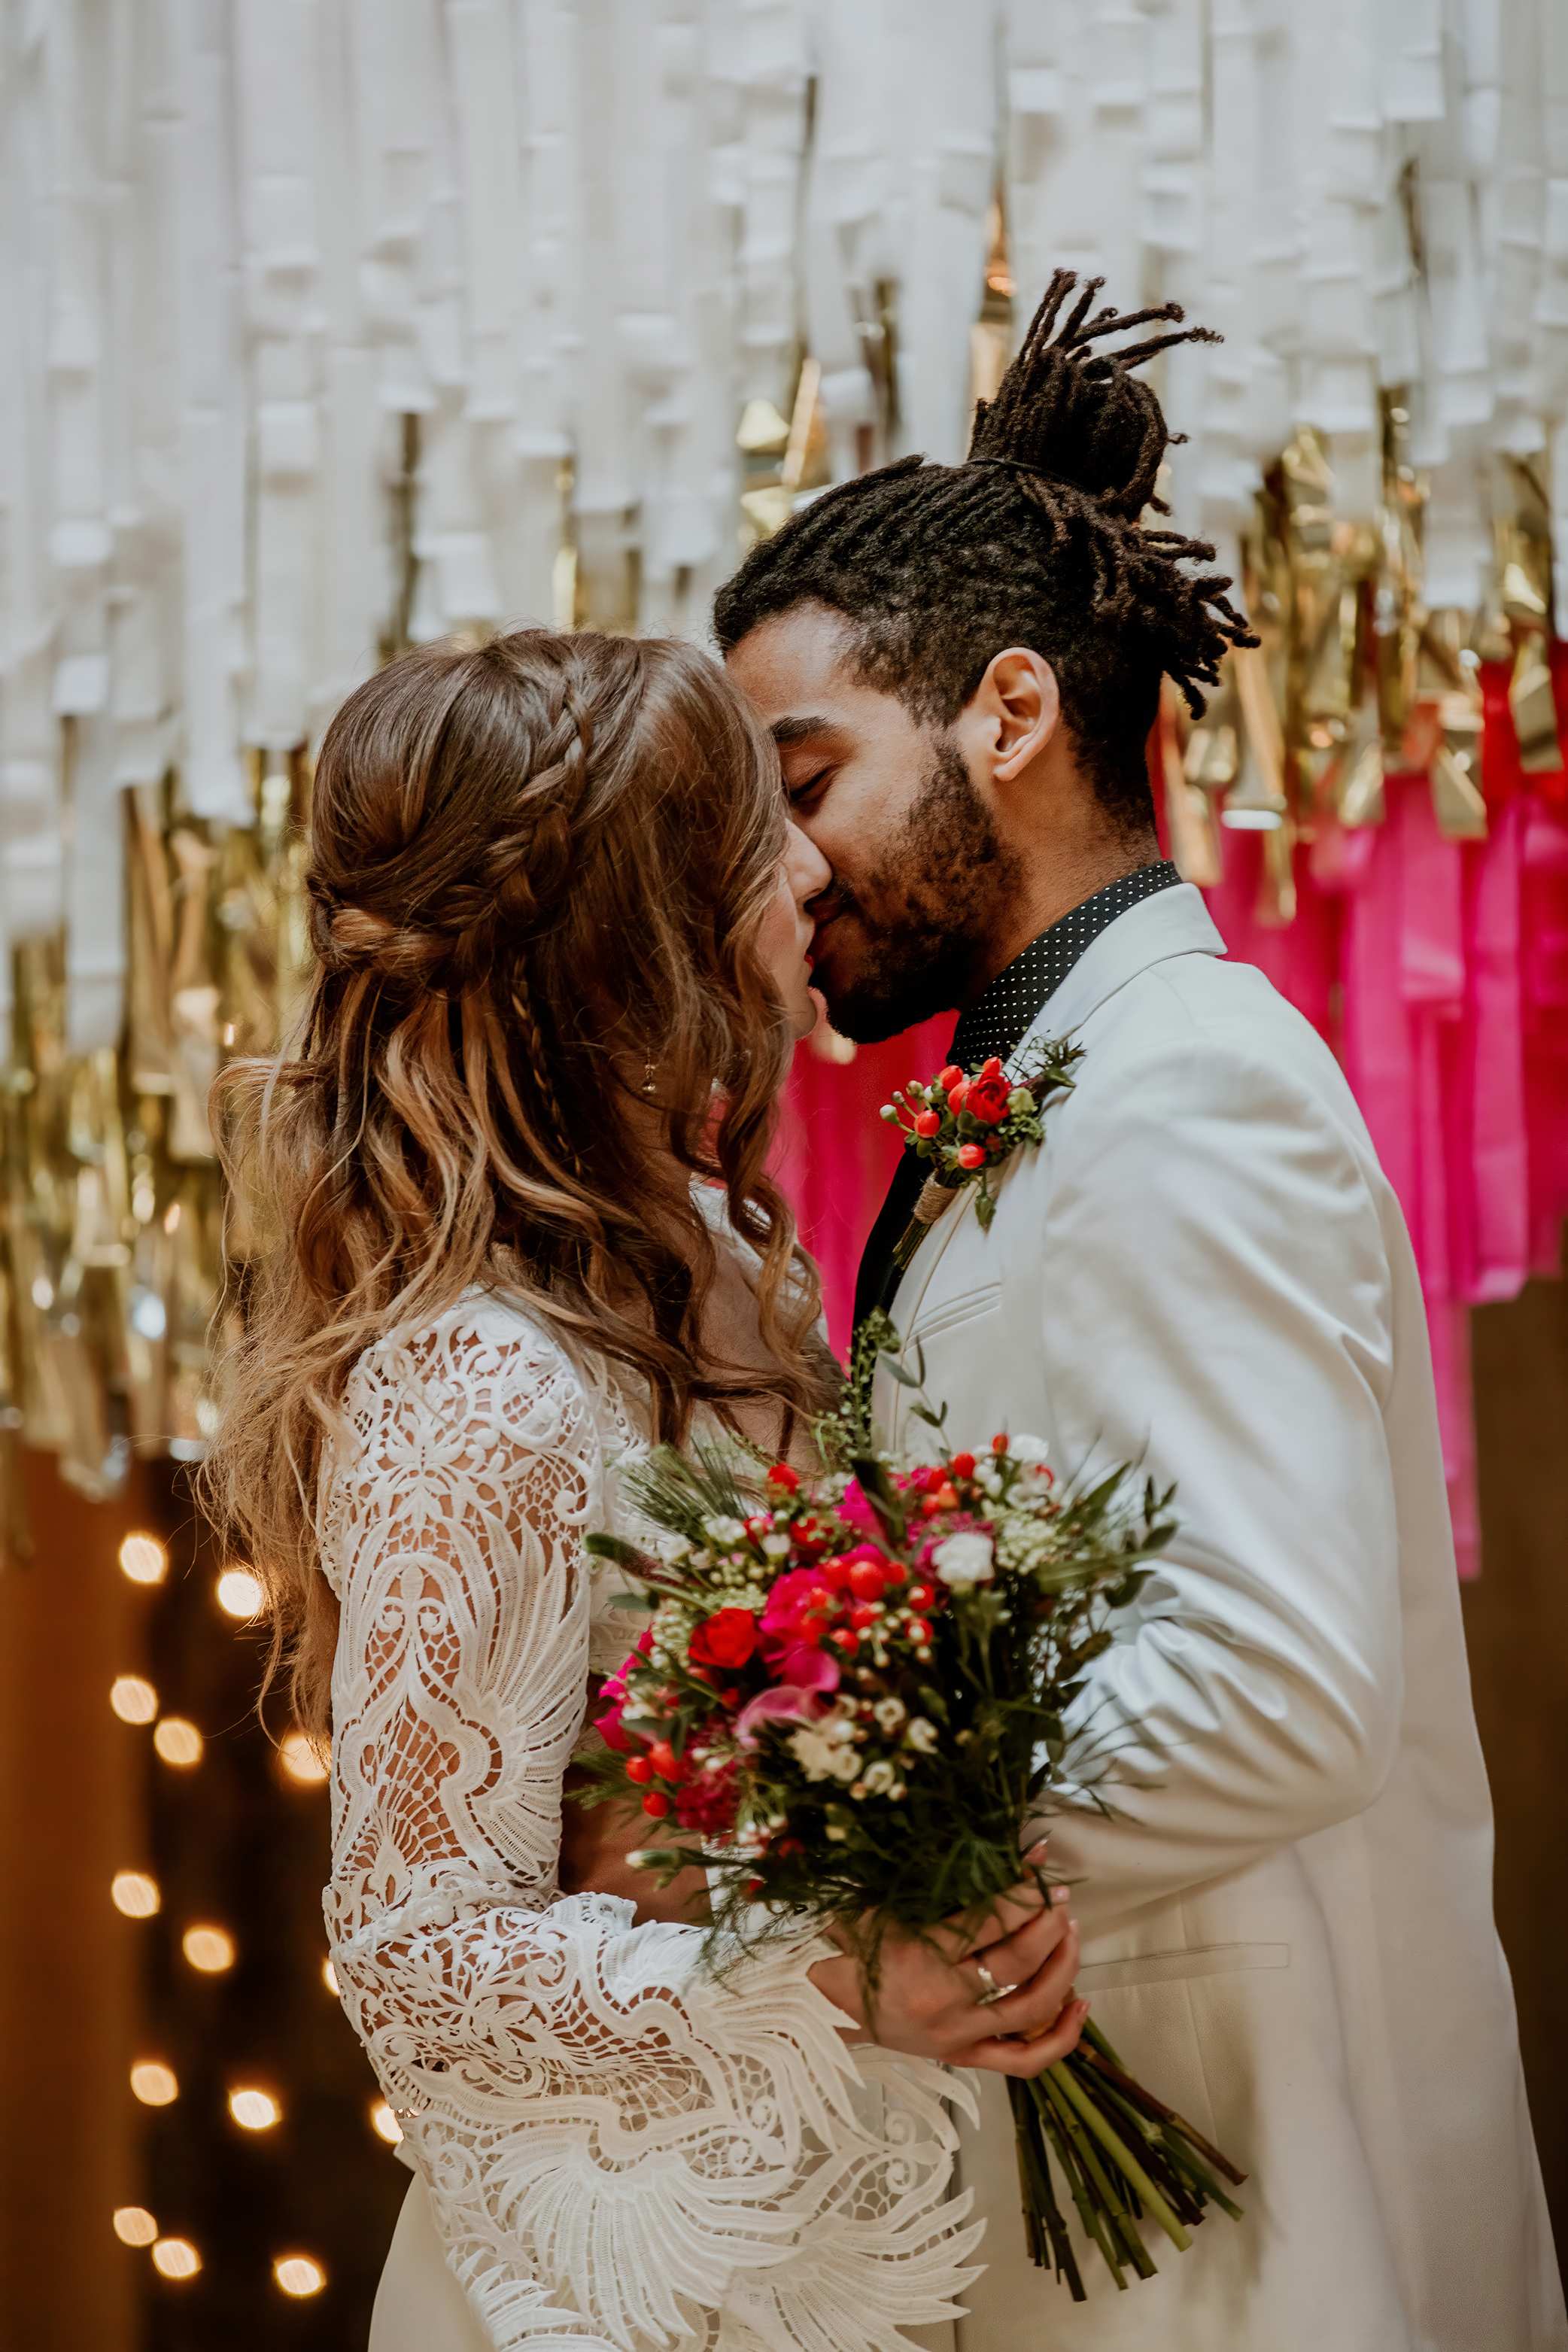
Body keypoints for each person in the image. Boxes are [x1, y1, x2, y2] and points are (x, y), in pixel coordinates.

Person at [716, 271, 1568, 2350]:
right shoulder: (1049, 1081)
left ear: (1004, 714)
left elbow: (1278, 1691)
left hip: (1235, 2173)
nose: (776, 865)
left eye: (801, 775)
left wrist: (855, 1853)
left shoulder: (1182, 1085)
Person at [201, 627, 1086, 2352]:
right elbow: (415, 1953)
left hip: (821, 2223)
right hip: (621, 2287)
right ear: (639, 942)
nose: (813, 866)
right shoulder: (484, 1385)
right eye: (760, 833)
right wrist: (832, 1973)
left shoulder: (729, 1268)